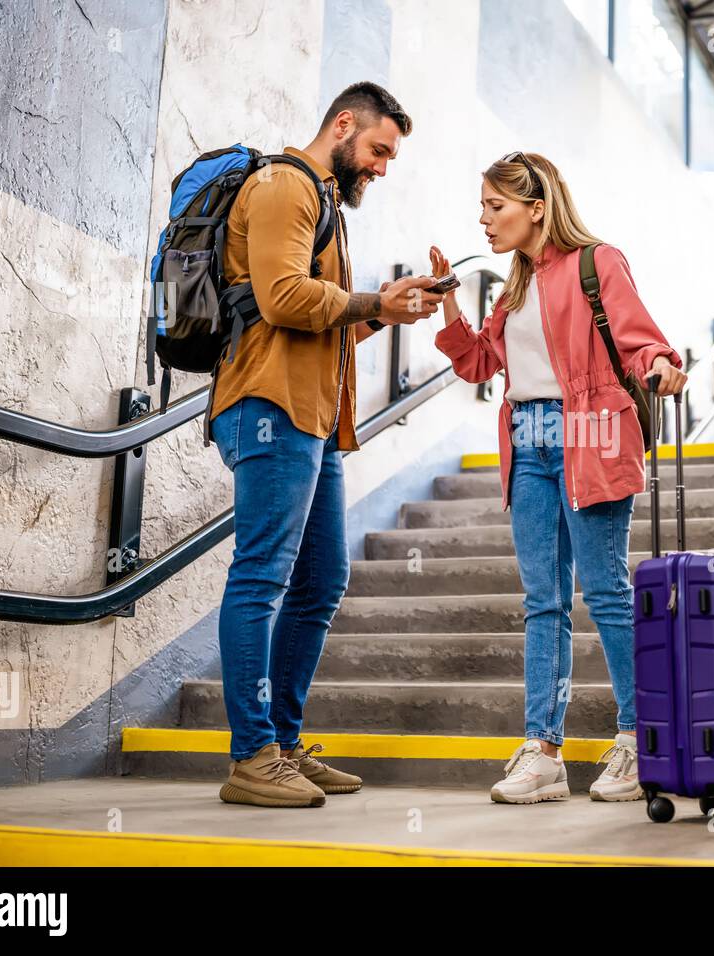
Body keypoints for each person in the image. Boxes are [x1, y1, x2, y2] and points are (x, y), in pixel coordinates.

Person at [207, 82, 443, 808]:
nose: (380, 167)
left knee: (320, 582)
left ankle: (280, 742)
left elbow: (325, 320)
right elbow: (281, 298)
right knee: (262, 576)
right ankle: (252, 758)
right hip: (270, 406)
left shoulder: (328, 204)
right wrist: (374, 299)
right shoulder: (285, 184)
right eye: (377, 150)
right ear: (343, 124)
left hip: (312, 418)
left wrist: (393, 306)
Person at [431, 151, 687, 804]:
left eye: (496, 207)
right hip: (528, 440)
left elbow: (640, 339)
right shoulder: (513, 284)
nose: (484, 220)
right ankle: (543, 753)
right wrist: (449, 305)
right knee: (543, 601)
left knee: (604, 591)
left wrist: (663, 364)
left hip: (590, 432)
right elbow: (480, 364)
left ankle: (638, 739)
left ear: (536, 207)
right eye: (483, 207)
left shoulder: (598, 263)